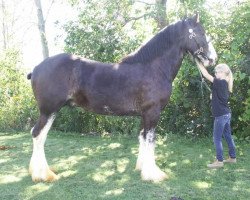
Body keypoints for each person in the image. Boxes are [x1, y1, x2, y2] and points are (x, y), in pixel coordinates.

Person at [196, 61, 236, 168]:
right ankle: (232, 157)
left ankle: (219, 161)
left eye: (218, 72)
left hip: (221, 116)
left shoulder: (219, 82)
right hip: (226, 114)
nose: (216, 74)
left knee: (216, 138)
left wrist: (198, 62)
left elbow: (206, 75)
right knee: (227, 136)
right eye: (216, 72)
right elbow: (218, 97)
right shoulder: (225, 83)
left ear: (223, 73)